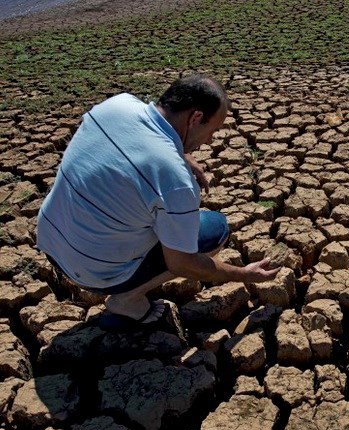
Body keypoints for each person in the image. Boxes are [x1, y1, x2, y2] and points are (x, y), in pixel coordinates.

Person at [36, 73, 280, 328]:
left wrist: (181, 154)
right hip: (94, 273)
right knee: (213, 229)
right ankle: (127, 299)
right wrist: (243, 274)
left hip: (51, 240)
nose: (210, 141)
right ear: (196, 118)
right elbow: (182, 263)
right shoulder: (174, 179)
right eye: (212, 130)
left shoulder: (116, 105)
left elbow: (138, 140)